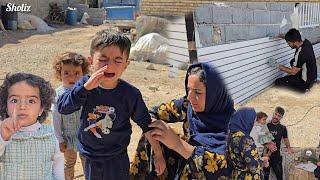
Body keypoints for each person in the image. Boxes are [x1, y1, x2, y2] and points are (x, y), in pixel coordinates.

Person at [57, 30, 165, 180]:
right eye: (103, 59)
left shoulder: (130, 94)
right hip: (90, 157)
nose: (109, 66)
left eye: (118, 60)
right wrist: (85, 88)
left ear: (126, 64)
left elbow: (146, 125)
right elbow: (63, 107)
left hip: (117, 158)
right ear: (90, 61)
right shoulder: (84, 85)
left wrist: (158, 154)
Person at [130, 63, 235, 179]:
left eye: (198, 92)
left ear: (214, 94)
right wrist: (158, 152)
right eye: (189, 89)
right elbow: (151, 114)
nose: (190, 97)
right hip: (184, 163)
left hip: (204, 172)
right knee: (155, 131)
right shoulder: (188, 105)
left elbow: (224, 168)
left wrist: (178, 144)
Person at [0, 72, 64, 179]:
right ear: (6, 107)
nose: (22, 106)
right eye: (14, 100)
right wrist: (3, 138)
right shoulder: (3, 134)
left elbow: (57, 162)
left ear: (41, 109)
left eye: (31, 101)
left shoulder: (51, 134)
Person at [51, 52, 89, 180]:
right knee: (68, 164)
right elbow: (56, 120)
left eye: (77, 73)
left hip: (86, 137)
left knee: (87, 162)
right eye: (66, 73)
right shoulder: (58, 95)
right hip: (68, 139)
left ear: (83, 73)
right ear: (59, 74)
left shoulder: (86, 92)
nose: (71, 77)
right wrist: (60, 140)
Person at [227, 107, 269, 180]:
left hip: (237, 176)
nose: (252, 123)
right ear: (246, 120)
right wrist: (263, 160)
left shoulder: (231, 136)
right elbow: (253, 166)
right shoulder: (245, 139)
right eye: (252, 120)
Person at [264, 106, 293, 180]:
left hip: (277, 157)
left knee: (280, 177)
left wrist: (289, 148)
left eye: (279, 116)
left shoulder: (283, 128)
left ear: (281, 117)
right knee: (265, 176)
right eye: (275, 114)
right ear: (273, 113)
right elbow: (261, 140)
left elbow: (286, 139)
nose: (276, 117)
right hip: (266, 156)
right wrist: (268, 145)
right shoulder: (266, 125)